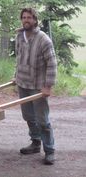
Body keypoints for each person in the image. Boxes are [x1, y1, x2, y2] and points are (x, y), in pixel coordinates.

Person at [14, 8, 57, 165]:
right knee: (28, 117)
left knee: (42, 120)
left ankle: (50, 150)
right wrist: (15, 76)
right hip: (23, 83)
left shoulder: (43, 39)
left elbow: (52, 64)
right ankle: (35, 143)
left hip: (38, 86)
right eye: (24, 17)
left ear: (35, 20)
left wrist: (48, 86)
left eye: (29, 18)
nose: (26, 20)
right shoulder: (19, 36)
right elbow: (18, 58)